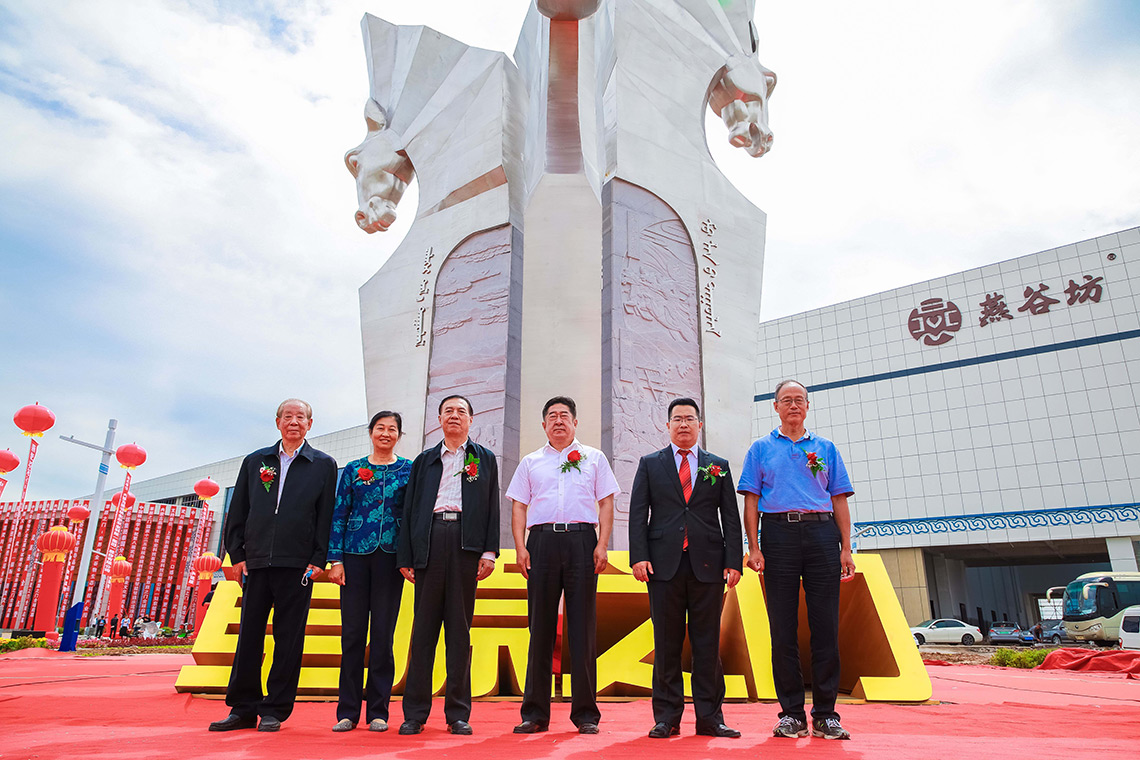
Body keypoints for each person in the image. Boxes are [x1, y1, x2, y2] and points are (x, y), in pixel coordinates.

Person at [209, 398, 337, 733]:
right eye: (288, 416)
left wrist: (318, 559)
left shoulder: (323, 465)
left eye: (301, 417)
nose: (294, 422)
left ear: (310, 423)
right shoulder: (256, 461)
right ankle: (242, 707)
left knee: (288, 639)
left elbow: (326, 516)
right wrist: (236, 556)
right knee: (249, 636)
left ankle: (275, 709)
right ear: (277, 422)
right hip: (255, 564)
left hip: (298, 566)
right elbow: (238, 511)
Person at [739, 380, 855, 741]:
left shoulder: (826, 448)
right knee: (783, 628)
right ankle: (791, 713)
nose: (793, 405)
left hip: (822, 537)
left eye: (799, 400)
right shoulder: (760, 449)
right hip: (778, 537)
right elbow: (751, 501)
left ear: (808, 406)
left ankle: (825, 715)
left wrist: (846, 548)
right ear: (775, 407)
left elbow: (839, 499)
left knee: (825, 627)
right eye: (786, 400)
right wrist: (753, 547)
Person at [628, 397, 743, 739]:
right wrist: (639, 556)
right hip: (663, 567)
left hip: (708, 566)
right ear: (667, 426)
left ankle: (710, 717)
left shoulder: (717, 465)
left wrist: (733, 561)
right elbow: (638, 514)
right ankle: (666, 717)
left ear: (699, 425)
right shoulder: (650, 464)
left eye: (689, 419)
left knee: (707, 644)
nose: (683, 424)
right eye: (677, 419)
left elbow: (730, 519)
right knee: (666, 644)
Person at [508, 396, 619, 735]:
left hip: (582, 541)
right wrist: (520, 548)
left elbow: (606, 503)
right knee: (539, 626)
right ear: (543, 425)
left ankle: (585, 713)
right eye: (552, 416)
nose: (558, 421)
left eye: (565, 416)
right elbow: (518, 507)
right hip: (540, 543)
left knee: (583, 627)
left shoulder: (594, 458)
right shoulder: (530, 462)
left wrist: (602, 544)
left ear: (575, 423)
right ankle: (535, 713)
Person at [396, 395, 499, 736]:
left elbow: (491, 507)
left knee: (459, 631)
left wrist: (489, 552)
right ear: (438, 419)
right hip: (430, 540)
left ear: (472, 419)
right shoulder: (424, 461)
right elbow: (410, 510)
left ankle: (458, 713)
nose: (454, 416)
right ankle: (415, 713)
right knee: (422, 632)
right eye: (448, 411)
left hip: (466, 545)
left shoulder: (484, 459)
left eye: (461, 411)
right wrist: (406, 556)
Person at [327, 411, 413, 733]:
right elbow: (339, 512)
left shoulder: (409, 469)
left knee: (382, 636)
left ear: (399, 435)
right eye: (380, 428)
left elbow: (413, 514)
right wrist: (335, 560)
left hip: (392, 559)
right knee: (351, 635)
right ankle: (347, 711)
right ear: (371, 432)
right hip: (354, 557)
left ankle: (378, 711)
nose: (386, 433)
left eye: (392, 429)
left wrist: (412, 557)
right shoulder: (352, 470)